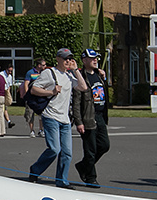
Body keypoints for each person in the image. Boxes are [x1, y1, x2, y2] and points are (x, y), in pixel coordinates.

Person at [27, 48, 83, 187]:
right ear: (58, 59)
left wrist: (75, 70)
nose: (68, 61)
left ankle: (62, 180)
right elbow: (34, 89)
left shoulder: (70, 76)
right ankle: (35, 170)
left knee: (67, 152)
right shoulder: (49, 73)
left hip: (65, 119)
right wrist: (51, 91)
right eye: (65, 59)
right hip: (50, 115)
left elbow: (83, 87)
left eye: (70, 59)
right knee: (54, 149)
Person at [75, 48, 109, 188]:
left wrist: (104, 78)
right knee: (90, 149)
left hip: (100, 116)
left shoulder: (99, 74)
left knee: (105, 145)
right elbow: (76, 102)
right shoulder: (81, 78)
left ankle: (83, 166)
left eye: (96, 58)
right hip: (88, 116)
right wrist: (79, 121)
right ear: (84, 60)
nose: (95, 60)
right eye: (92, 58)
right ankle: (91, 177)